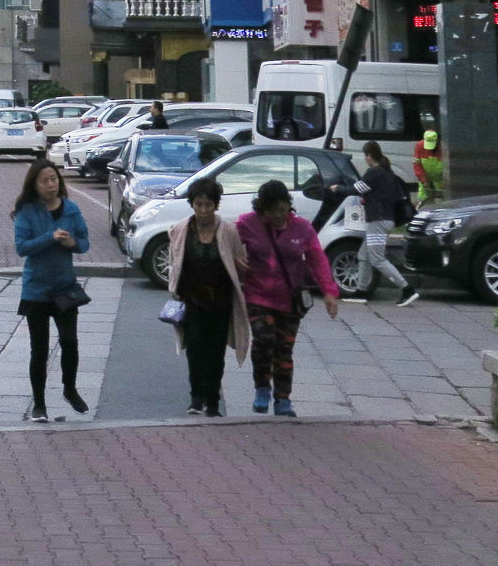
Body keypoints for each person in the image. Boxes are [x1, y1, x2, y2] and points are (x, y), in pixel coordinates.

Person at [235, 178, 338, 417]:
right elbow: (227, 245)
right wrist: (236, 260)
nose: (279, 216)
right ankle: (262, 387)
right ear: (262, 209)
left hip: (289, 299)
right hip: (258, 295)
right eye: (273, 211)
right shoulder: (246, 224)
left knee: (284, 349)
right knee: (264, 339)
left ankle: (283, 399)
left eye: (283, 210)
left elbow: (317, 259)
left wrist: (329, 292)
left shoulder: (301, 228)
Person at [11, 159, 91, 422]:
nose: (51, 184)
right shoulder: (27, 212)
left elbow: (84, 243)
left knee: (70, 342)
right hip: (37, 289)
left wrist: (72, 242)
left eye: (54, 179)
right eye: (45, 180)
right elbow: (22, 247)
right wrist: (50, 237)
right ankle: (40, 405)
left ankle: (70, 388)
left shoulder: (72, 209)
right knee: (40, 349)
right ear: (34, 185)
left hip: (65, 287)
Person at [163, 176, 248, 416]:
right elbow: (174, 261)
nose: (203, 210)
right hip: (192, 301)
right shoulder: (180, 230)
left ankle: (213, 400)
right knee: (195, 349)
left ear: (216, 205)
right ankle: (196, 398)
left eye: (208, 205)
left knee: (216, 353)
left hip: (220, 302)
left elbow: (240, 263)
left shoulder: (228, 231)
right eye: (198, 204)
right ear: (192, 204)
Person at [352, 141, 419, 305]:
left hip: (378, 220)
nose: (365, 158)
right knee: (364, 255)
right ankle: (361, 291)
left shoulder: (374, 172)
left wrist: (336, 188)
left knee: (377, 259)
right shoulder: (387, 173)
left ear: (369, 155)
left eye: (365, 155)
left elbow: (357, 188)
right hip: (386, 219)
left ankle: (407, 289)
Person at [413, 126, 446, 207]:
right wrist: (424, 180)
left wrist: (445, 180)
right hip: (425, 179)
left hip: (440, 180)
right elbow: (417, 164)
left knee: (441, 202)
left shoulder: (443, 147)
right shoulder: (420, 145)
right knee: (423, 199)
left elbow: (446, 166)